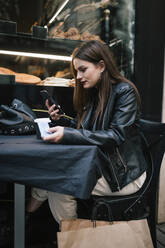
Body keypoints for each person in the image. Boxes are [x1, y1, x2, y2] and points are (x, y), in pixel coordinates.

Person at [26, 40, 147, 226]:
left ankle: (70, 237)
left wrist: (68, 134)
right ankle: (26, 222)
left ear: (101, 66)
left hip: (122, 176)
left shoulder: (125, 92)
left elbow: (116, 135)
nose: (79, 76)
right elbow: (86, 129)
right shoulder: (97, 93)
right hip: (102, 166)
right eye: (77, 72)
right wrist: (62, 121)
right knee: (50, 172)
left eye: (83, 69)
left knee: (58, 183)